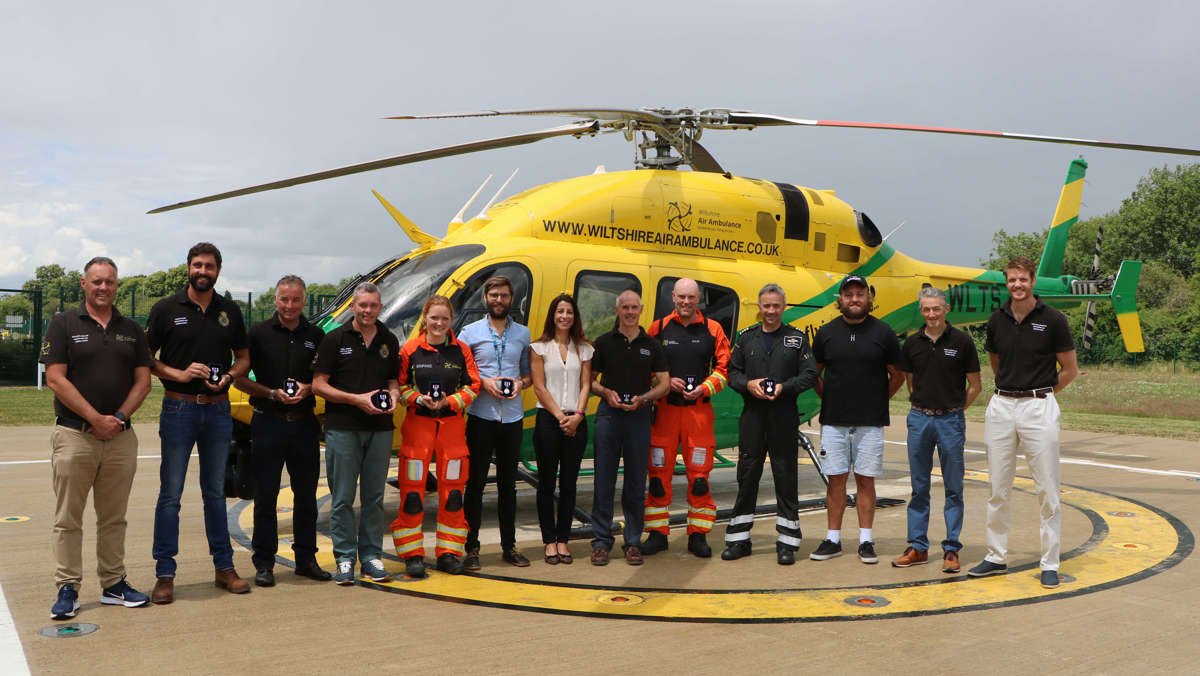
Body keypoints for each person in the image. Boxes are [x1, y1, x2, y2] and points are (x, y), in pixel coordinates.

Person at [43, 257, 154, 619]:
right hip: (75, 435)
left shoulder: (131, 329)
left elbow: (144, 381)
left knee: (114, 517)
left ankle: (113, 584)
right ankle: (68, 588)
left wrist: (119, 418)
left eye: (109, 282)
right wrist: (94, 418)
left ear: (116, 285)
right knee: (68, 517)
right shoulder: (62, 323)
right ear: (84, 283)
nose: (103, 288)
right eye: (97, 282)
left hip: (120, 438)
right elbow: (56, 378)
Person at [146, 242, 250, 602]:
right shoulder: (166, 309)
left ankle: (224, 568)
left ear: (218, 270)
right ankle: (165, 574)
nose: (202, 271)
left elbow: (244, 357)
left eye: (208, 266)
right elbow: (145, 358)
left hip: (218, 410)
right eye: (197, 265)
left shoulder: (229, 311)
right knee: (171, 495)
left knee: (215, 493)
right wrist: (180, 372)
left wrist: (231, 377)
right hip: (179, 408)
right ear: (188, 268)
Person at [968, 256, 1078, 589]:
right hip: (1001, 405)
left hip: (1038, 406)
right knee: (997, 488)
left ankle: (1050, 562)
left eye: (1023, 280)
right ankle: (995, 555)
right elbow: (997, 363)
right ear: (1007, 283)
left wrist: (1042, 392)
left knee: (1047, 490)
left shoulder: (1054, 320)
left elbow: (1069, 370)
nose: (1017, 285)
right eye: (1012, 280)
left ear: (1033, 281)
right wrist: (1012, 393)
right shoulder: (996, 320)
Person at [234, 275, 331, 586]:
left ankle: (306, 559)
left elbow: (324, 379)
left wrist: (308, 389)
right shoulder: (259, 333)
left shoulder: (316, 335)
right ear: (275, 300)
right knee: (265, 496)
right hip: (268, 422)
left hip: (304, 424)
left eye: (296, 300)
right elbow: (239, 378)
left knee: (306, 496)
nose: (290, 306)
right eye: (284, 299)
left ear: (304, 301)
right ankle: (264, 563)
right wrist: (270, 393)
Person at [809, 274, 904, 564]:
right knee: (835, 481)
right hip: (834, 422)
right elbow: (815, 373)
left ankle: (866, 541)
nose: (854, 299)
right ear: (840, 299)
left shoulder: (884, 333)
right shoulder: (826, 333)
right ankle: (833, 539)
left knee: (866, 481)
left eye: (859, 294)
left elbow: (897, 375)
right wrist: (832, 398)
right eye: (848, 294)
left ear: (869, 298)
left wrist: (876, 401)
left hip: (870, 423)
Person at [721, 284, 818, 565]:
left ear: (783, 307)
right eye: (766, 306)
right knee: (747, 475)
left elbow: (810, 374)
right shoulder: (746, 339)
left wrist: (785, 388)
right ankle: (739, 540)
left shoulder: (796, 339)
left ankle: (787, 543)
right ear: (759, 308)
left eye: (776, 306)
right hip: (753, 416)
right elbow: (732, 372)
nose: (771, 311)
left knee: (785, 477)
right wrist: (747, 385)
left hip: (783, 417)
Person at [312, 282, 400, 585]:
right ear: (353, 306)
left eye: (373, 306)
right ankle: (346, 558)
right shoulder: (335, 339)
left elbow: (393, 381)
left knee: (375, 498)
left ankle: (372, 556)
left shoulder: (389, 339)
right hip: (343, 427)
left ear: (380, 307)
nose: (367, 311)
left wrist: (395, 396)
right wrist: (356, 400)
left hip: (380, 429)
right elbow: (318, 384)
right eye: (362, 305)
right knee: (343, 498)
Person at [891, 287, 982, 573]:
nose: (931, 314)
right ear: (921, 310)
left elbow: (975, 386)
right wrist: (924, 408)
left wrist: (955, 410)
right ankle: (917, 547)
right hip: (919, 420)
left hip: (950, 421)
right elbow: (910, 380)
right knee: (919, 488)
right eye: (926, 309)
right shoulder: (912, 344)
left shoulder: (963, 342)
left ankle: (952, 549)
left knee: (953, 488)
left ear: (946, 310)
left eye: (936, 309)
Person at [641, 278, 731, 559]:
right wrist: (665, 381)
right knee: (657, 475)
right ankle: (657, 534)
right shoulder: (658, 328)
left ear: (698, 299)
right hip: (665, 412)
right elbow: (644, 366)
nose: (686, 302)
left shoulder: (712, 329)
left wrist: (705, 388)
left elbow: (725, 368)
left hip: (699, 413)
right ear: (673, 297)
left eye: (691, 298)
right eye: (681, 297)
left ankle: (698, 535)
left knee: (700, 477)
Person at [393, 296, 482, 577]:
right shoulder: (410, 350)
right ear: (425, 317)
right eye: (434, 318)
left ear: (451, 320)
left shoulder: (461, 351)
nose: (439, 323)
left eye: (444, 318)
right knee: (412, 495)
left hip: (452, 430)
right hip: (418, 429)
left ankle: (448, 553)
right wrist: (419, 399)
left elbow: (473, 386)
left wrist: (450, 402)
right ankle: (412, 555)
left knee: (453, 494)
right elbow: (401, 387)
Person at [588, 290, 670, 566]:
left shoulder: (652, 345)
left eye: (634, 307)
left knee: (636, 483)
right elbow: (589, 381)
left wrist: (644, 398)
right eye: (625, 307)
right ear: (617, 309)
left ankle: (633, 542)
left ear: (641, 309)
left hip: (639, 418)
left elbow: (664, 383)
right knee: (603, 482)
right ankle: (601, 542)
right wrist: (606, 393)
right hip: (609, 417)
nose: (630, 312)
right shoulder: (604, 342)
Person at [459, 276, 532, 570]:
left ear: (511, 299)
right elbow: (462, 372)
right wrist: (482, 383)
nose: (499, 300)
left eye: (504, 295)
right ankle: (472, 547)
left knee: (507, 486)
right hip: (481, 416)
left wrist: (520, 383)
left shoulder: (523, 334)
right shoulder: (469, 332)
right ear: (485, 299)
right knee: (474, 485)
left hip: (512, 417)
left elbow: (528, 374)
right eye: (494, 295)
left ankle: (509, 546)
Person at [529, 294, 593, 564]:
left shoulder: (585, 349)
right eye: (559, 312)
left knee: (569, 483)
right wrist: (559, 416)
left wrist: (577, 415)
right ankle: (549, 541)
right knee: (546, 483)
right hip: (548, 420)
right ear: (552, 316)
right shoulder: (539, 348)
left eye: (568, 312)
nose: (564, 316)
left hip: (576, 420)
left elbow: (586, 385)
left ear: (574, 316)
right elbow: (539, 386)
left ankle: (564, 540)